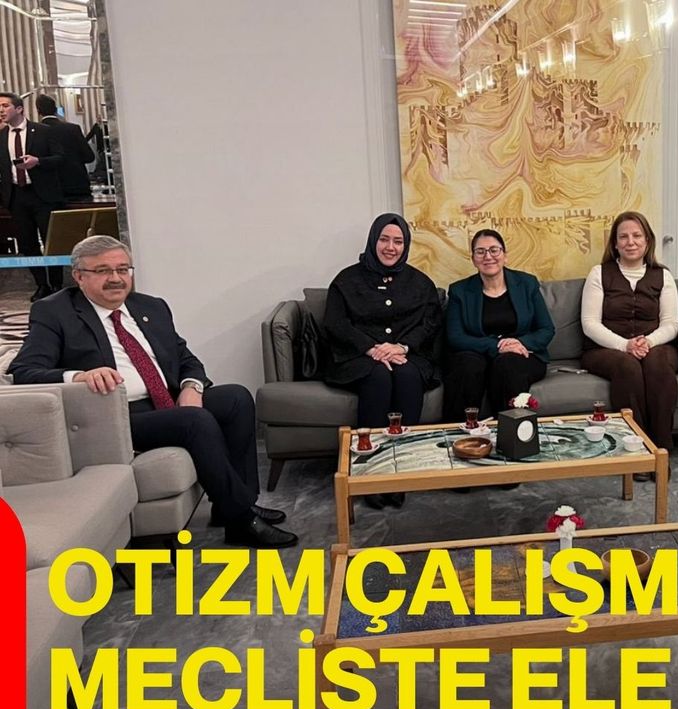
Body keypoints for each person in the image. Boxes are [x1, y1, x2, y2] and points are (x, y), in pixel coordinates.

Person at [9, 235, 296, 548]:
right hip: (117, 416)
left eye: (123, 269)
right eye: (103, 271)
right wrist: (79, 376)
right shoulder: (55, 312)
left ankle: (235, 504)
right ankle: (241, 520)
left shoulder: (150, 307)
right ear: (79, 276)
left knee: (235, 398)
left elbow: (186, 359)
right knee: (194, 421)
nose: (116, 278)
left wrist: (191, 387)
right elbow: (24, 371)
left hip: (165, 400)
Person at [324, 213, 443, 509]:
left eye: (398, 241)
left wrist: (402, 346)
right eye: (385, 239)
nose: (391, 247)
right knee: (377, 376)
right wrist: (370, 348)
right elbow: (336, 323)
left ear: (406, 245)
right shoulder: (346, 280)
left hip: (407, 355)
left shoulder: (420, 282)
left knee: (407, 375)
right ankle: (370, 472)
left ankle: (400, 468)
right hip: (359, 357)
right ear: (373, 240)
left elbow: (430, 323)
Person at [581, 211, 678, 452]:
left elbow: (671, 324)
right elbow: (590, 323)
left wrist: (648, 342)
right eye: (623, 237)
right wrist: (625, 345)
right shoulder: (599, 273)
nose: (631, 242)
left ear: (647, 240)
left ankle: (661, 451)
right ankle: (637, 448)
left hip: (655, 346)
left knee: (657, 364)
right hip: (606, 350)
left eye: (637, 235)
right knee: (627, 365)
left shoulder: (663, 276)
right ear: (615, 243)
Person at [443, 229, 554, 422]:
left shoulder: (527, 284)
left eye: (494, 250)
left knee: (507, 364)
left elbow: (546, 329)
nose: (488, 257)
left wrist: (519, 343)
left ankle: (510, 431)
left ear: (505, 255)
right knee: (467, 366)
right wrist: (497, 346)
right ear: (473, 259)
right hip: (478, 355)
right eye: (480, 251)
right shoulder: (459, 291)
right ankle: (461, 432)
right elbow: (455, 337)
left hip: (521, 356)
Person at [1, 92, 65, 300]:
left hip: (43, 195)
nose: (1, 110)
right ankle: (41, 284)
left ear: (19, 109)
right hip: (16, 195)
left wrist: (38, 161)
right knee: (27, 243)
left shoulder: (43, 131)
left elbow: (60, 158)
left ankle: (57, 285)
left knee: (51, 241)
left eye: (5, 106)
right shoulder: (1, 136)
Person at [35, 95, 95, 202]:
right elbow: (89, 156)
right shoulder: (73, 128)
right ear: (55, 109)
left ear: (38, 111)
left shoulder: (36, 132)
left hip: (50, 188)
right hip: (78, 184)